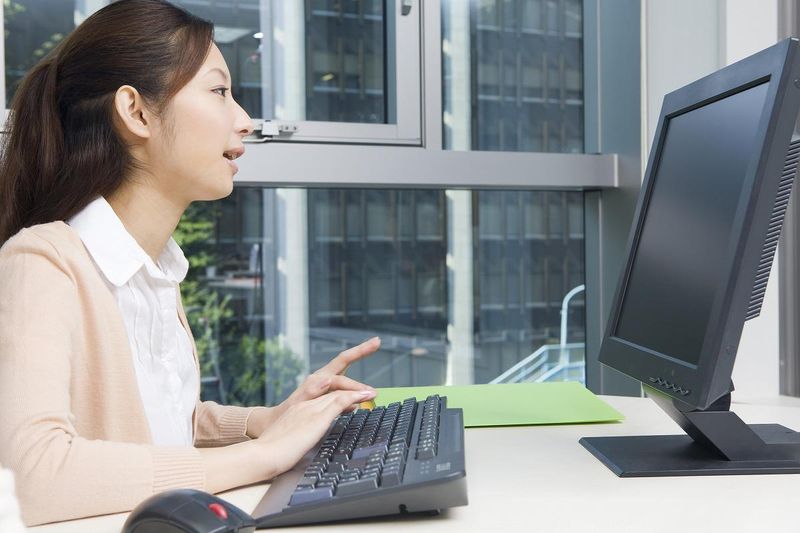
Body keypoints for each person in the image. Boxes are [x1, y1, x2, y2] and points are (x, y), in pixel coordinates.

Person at [0, 0, 379, 526]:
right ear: (136, 113)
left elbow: (160, 427)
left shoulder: (155, 269)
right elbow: (33, 475)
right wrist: (264, 455)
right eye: (219, 92)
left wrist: (267, 421)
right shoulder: (42, 263)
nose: (245, 121)